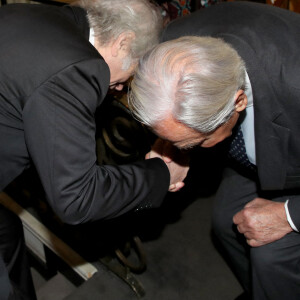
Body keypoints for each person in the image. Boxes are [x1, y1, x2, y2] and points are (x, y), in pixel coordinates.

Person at [0, 0, 188, 298]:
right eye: (133, 70)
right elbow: (76, 199)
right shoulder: (76, 70)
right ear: (123, 42)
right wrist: (162, 174)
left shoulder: (36, 11)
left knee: (6, 234)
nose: (122, 87)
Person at [128, 2, 300, 299]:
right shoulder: (173, 48)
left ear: (238, 103)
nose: (181, 151)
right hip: (260, 148)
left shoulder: (294, 82)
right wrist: (171, 148)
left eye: (191, 144)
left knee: (271, 255)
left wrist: (288, 215)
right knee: (225, 220)